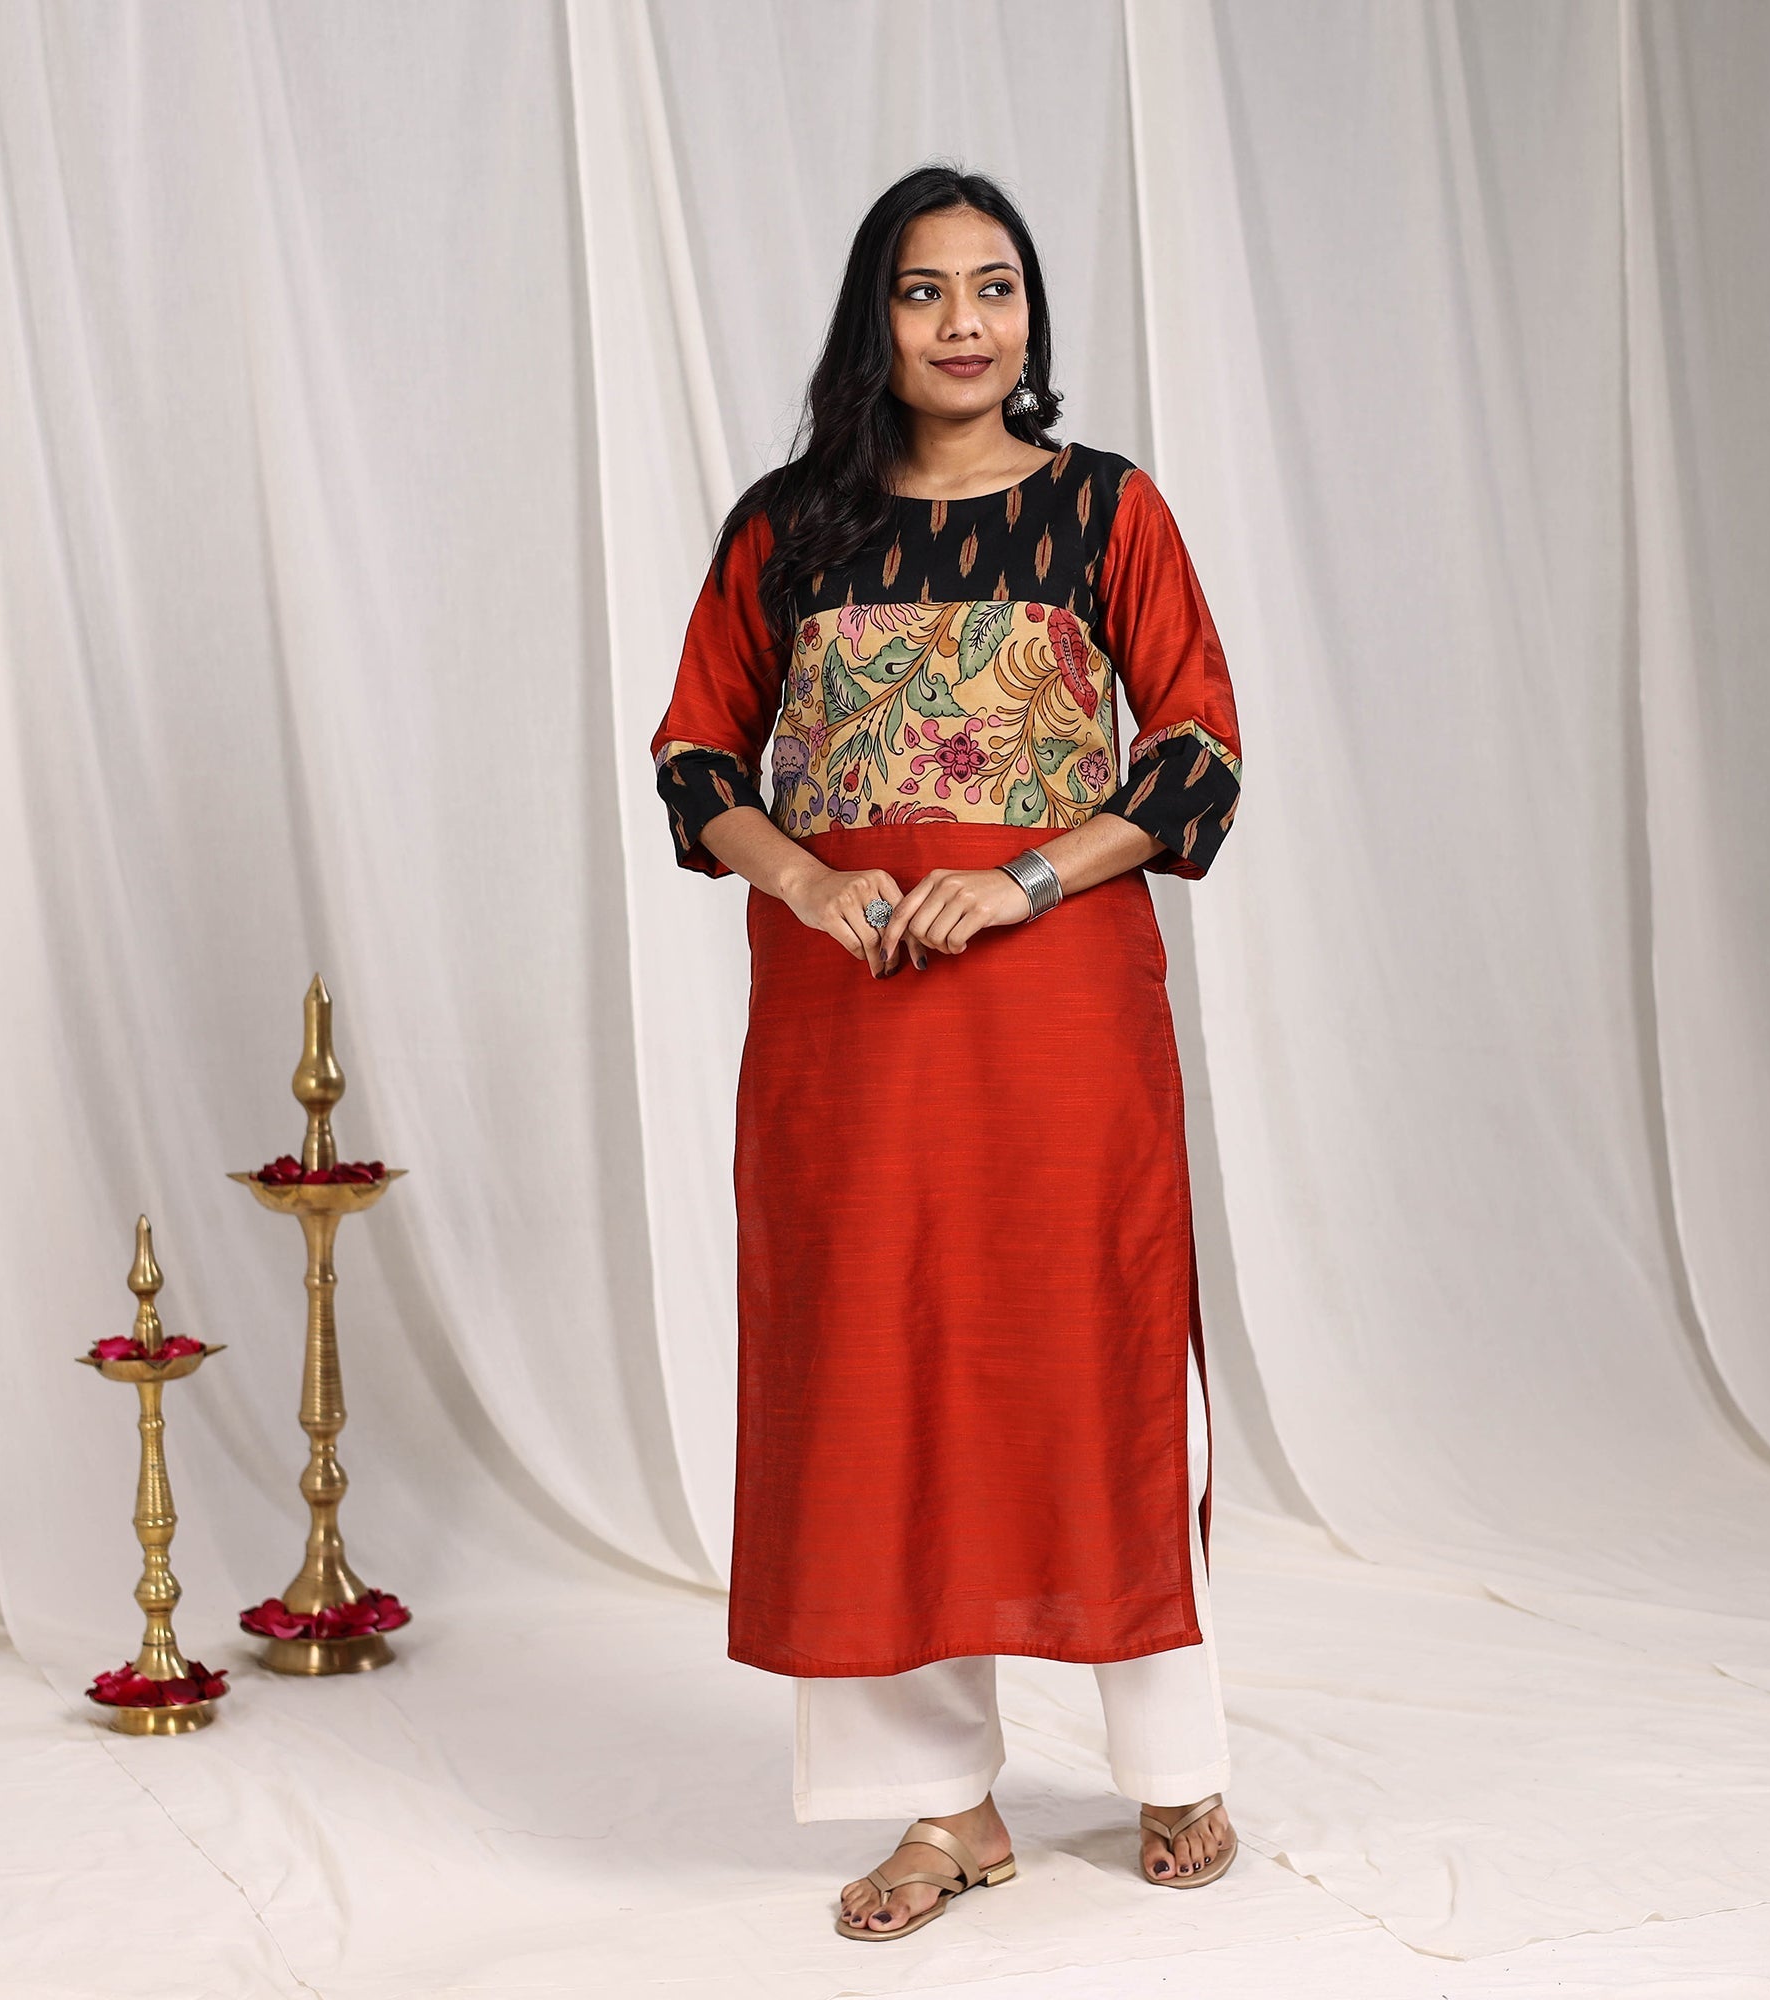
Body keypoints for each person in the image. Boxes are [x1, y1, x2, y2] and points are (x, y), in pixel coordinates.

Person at [650, 162, 1244, 1942]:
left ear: (1031, 316)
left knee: (1095, 1346)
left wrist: (1021, 879)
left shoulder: (1105, 509)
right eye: (925, 292)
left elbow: (1200, 752)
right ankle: (941, 1806)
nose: (965, 323)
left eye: (995, 288)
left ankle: (1175, 1761)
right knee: (871, 1372)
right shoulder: (789, 527)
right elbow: (696, 760)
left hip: (1059, 1019)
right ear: (877, 318)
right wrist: (808, 879)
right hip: (848, 1026)